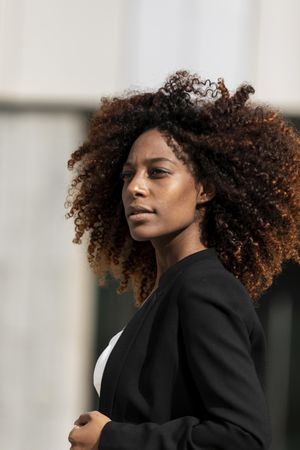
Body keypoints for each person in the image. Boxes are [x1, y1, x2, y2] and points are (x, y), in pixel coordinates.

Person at [65, 70, 300, 450]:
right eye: (128, 175)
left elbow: (243, 439)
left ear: (204, 188)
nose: (135, 187)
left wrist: (110, 438)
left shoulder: (204, 291)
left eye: (158, 172)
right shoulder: (171, 289)